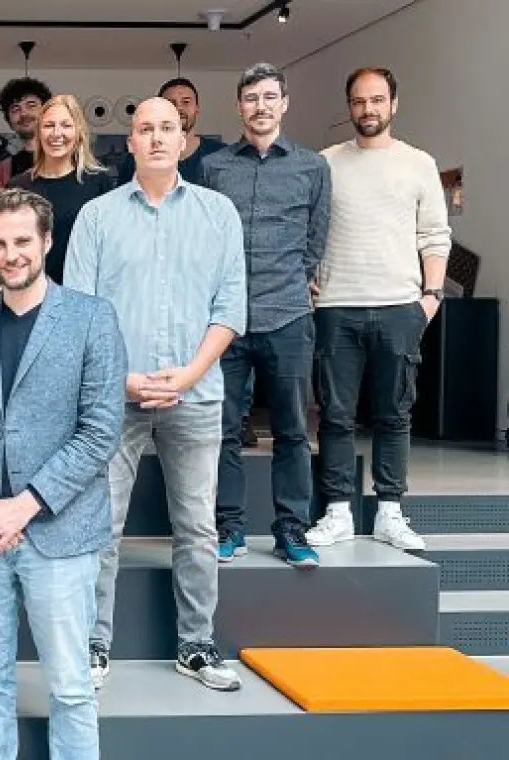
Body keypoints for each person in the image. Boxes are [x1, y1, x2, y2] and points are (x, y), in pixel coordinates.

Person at [0, 188, 127, 760]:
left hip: (59, 535)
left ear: (46, 241)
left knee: (69, 687)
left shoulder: (92, 318)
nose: (10, 253)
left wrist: (24, 504)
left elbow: (99, 431)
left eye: (22, 241)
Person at [66, 98, 246, 692]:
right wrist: (123, 380)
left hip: (197, 396)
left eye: (168, 127)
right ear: (132, 143)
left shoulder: (219, 214)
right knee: (101, 527)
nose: (157, 137)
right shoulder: (96, 217)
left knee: (196, 526)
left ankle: (196, 645)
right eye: (145, 128)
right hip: (114, 399)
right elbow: (78, 315)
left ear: (184, 139)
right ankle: (93, 645)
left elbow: (229, 308)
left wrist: (190, 373)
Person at [306, 67, 451, 552]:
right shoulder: (323, 163)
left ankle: (390, 510)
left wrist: (430, 298)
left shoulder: (419, 164)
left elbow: (434, 235)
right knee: (336, 415)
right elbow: (310, 230)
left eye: (377, 100)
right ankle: (338, 512)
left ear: (394, 103)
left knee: (395, 414)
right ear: (348, 106)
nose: (367, 109)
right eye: (359, 101)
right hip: (337, 306)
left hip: (398, 306)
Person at [200, 63, 330, 567]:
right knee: (223, 428)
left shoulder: (311, 166)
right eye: (251, 97)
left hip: (289, 316)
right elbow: (208, 239)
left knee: (294, 430)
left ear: (284, 103)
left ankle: (291, 528)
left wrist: (294, 280)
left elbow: (315, 239)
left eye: (269, 97)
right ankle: (228, 526)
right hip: (227, 320)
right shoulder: (215, 167)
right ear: (239, 106)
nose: (260, 106)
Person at [9, 94, 113, 284]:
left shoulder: (98, 183)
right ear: (39, 132)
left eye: (66, 125)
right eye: (49, 125)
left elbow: (110, 249)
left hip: (83, 293)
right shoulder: (18, 187)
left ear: (79, 132)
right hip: (30, 294)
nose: (57, 133)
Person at [118, 77, 225, 185]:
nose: (179, 108)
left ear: (197, 108)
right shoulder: (137, 158)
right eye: (171, 103)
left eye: (186, 102)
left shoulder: (221, 154)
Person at [0, 77, 53, 188]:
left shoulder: (66, 160)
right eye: (15, 108)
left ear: (47, 112)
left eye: (31, 105)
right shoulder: (4, 169)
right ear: (9, 122)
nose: (24, 113)